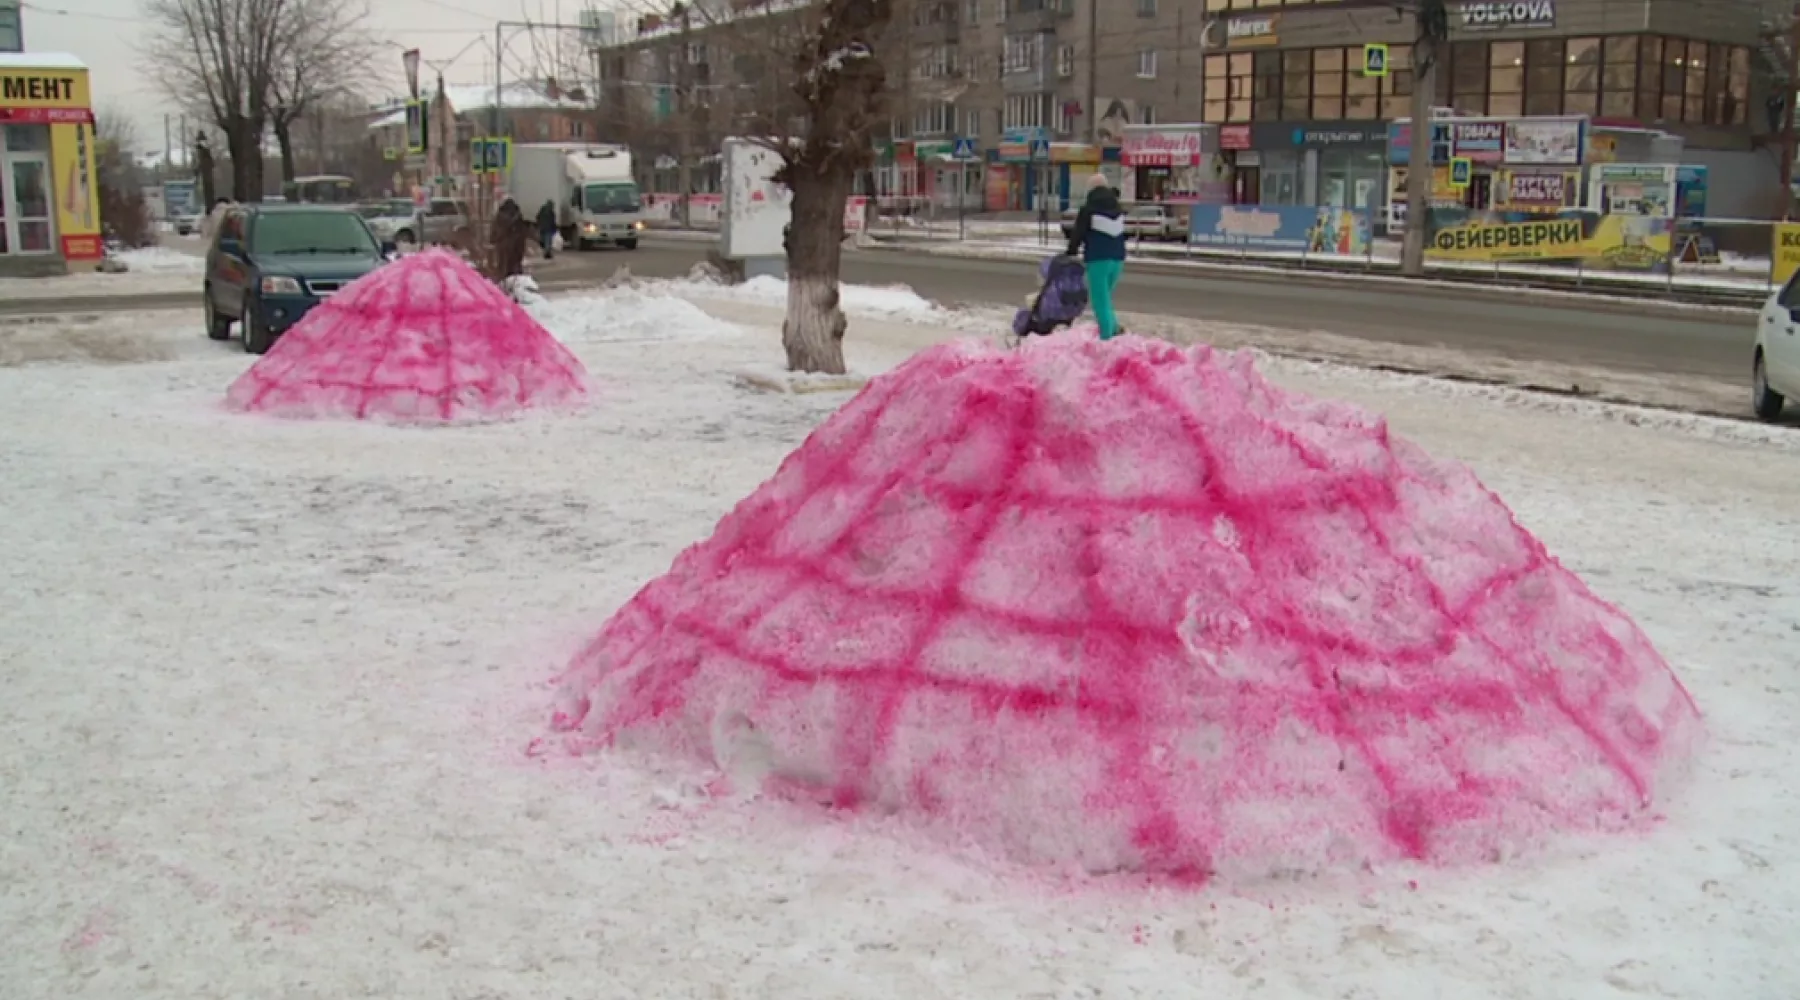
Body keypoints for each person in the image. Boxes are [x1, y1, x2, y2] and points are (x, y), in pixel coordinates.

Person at [1063, 172, 1127, 340]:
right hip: (1118, 259)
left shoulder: (1089, 209)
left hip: (1098, 259)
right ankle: (1114, 329)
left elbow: (1078, 233)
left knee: (1100, 301)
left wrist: (1071, 251)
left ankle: (1107, 339)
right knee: (1106, 298)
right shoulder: (1118, 207)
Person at [492, 195, 528, 278]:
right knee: (516, 260)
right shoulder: (517, 214)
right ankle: (516, 275)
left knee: (503, 260)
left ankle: (504, 276)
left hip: (503, 241)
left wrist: (493, 239)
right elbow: (522, 229)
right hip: (517, 241)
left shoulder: (500, 214)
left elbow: (495, 228)